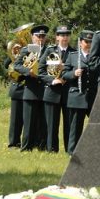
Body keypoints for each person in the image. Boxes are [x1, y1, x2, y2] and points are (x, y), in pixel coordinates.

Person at [40, 25, 73, 153]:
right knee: (52, 124)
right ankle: (51, 150)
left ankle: (69, 150)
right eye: (62, 35)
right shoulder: (49, 51)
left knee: (69, 124)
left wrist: (65, 70)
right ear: (57, 37)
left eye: (67, 35)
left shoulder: (74, 52)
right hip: (52, 91)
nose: (64, 37)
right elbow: (41, 71)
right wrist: (53, 80)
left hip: (67, 93)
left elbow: (76, 70)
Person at [15, 24, 48, 151]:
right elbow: (17, 65)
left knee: (43, 121)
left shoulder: (49, 49)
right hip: (31, 90)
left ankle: (42, 146)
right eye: (38, 36)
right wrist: (28, 72)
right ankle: (26, 147)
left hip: (45, 90)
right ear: (32, 36)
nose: (40, 38)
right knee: (28, 122)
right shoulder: (28, 49)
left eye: (43, 36)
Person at [63, 30, 96, 154]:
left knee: (96, 124)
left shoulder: (95, 56)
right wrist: (74, 73)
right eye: (86, 42)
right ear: (80, 43)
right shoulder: (73, 56)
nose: (88, 44)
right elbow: (64, 74)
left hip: (92, 96)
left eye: (91, 42)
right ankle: (72, 151)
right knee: (76, 126)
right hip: (77, 95)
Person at [4, 29, 27, 148]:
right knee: (15, 119)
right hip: (17, 88)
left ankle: (28, 143)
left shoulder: (32, 51)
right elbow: (6, 64)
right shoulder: (17, 51)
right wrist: (13, 55)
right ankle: (13, 143)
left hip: (29, 88)